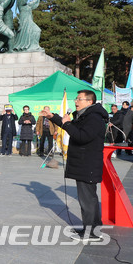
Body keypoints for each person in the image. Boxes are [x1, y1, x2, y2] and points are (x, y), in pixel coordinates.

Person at [41, 90, 108, 241]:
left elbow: (81, 136)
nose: (76, 101)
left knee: (87, 199)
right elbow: (73, 127)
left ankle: (92, 233)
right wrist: (53, 117)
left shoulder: (94, 118)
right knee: (88, 198)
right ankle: (92, 228)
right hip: (84, 163)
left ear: (89, 101)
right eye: (76, 99)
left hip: (88, 164)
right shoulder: (86, 115)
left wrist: (67, 123)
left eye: (79, 99)